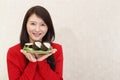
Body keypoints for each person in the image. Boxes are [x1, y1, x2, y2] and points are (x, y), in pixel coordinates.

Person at [7, 5, 63, 80]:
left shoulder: (55, 49)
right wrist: (32, 63)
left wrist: (41, 62)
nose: (37, 29)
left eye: (42, 25)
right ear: (26, 25)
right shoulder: (13, 52)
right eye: (33, 24)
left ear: (48, 27)